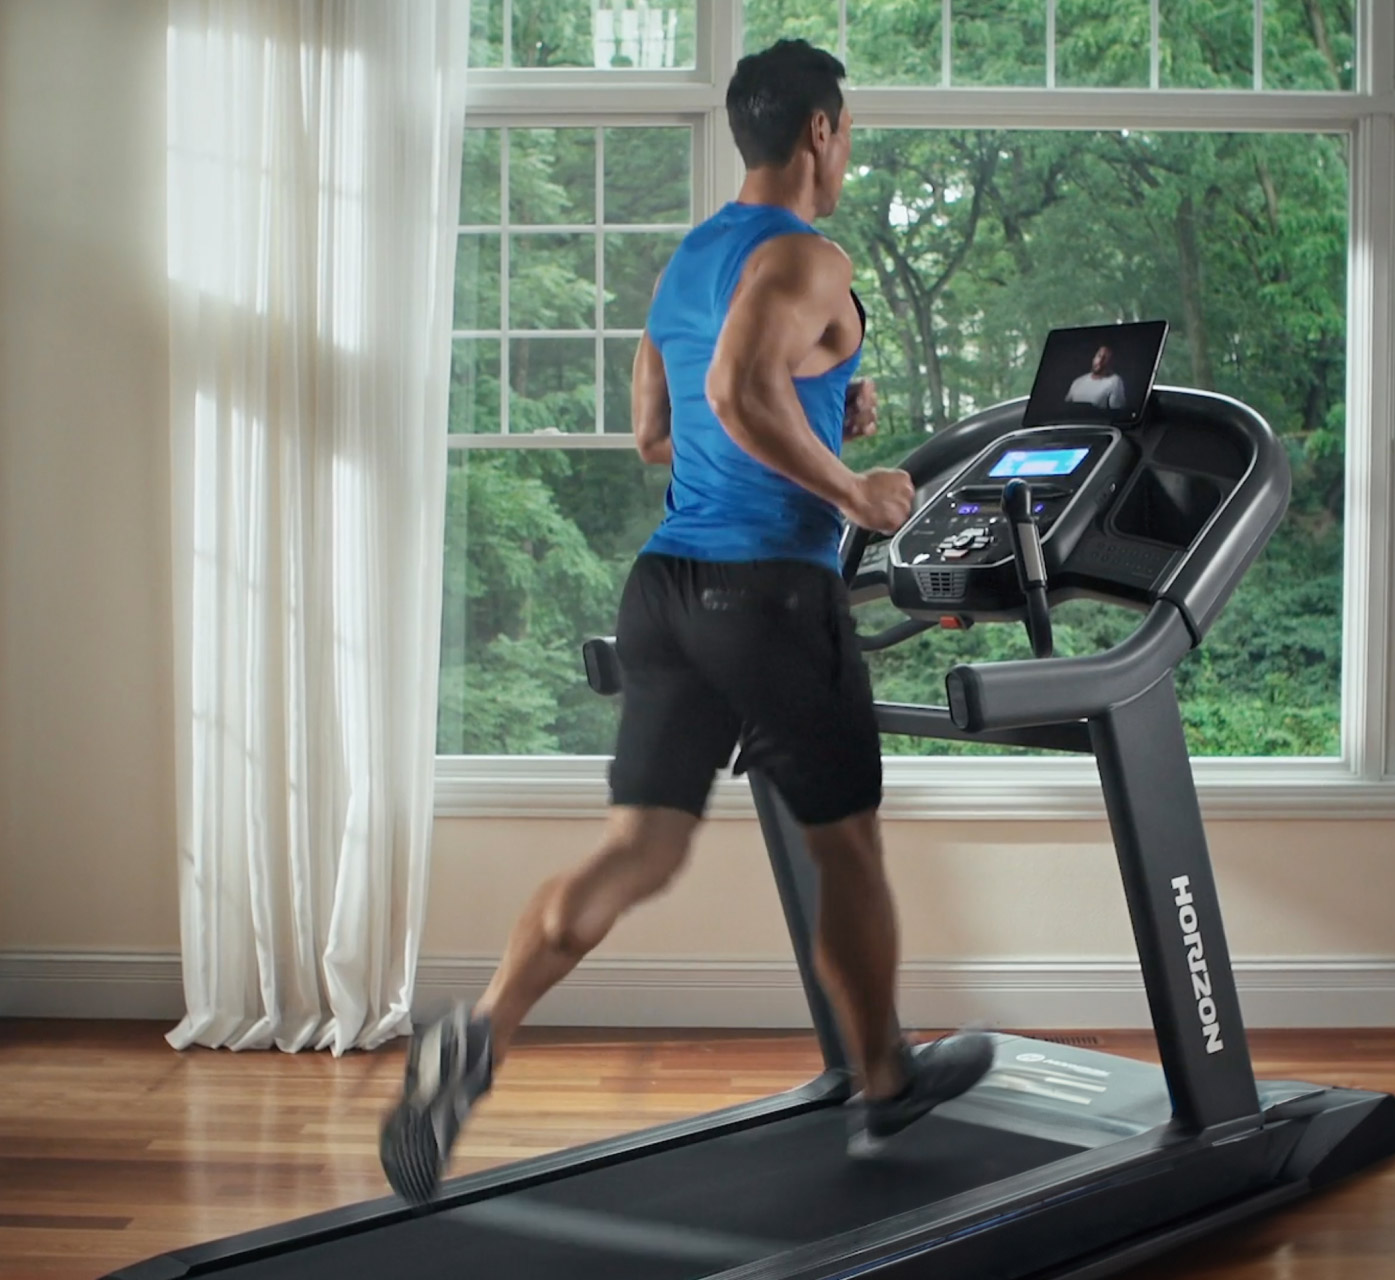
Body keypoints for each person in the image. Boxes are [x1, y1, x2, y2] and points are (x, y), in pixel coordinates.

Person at [378, 38, 994, 1206]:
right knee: (845, 844)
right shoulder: (809, 257)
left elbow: (658, 432)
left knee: (639, 848)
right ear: (820, 131)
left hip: (664, 594)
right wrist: (854, 487)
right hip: (768, 594)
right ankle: (883, 1078)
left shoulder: (689, 261)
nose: (846, 148)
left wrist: (824, 399)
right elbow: (732, 394)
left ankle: (481, 1031)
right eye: (845, 131)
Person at [1066, 344, 1127, 410]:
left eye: (1105, 358)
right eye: (1099, 356)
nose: (1100, 361)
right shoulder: (1078, 382)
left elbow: (1117, 412)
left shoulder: (1115, 381)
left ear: (1111, 362)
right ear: (1094, 358)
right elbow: (1066, 407)